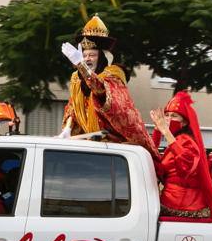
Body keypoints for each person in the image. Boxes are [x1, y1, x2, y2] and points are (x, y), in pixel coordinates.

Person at [59, 15, 159, 163]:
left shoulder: (113, 74)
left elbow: (99, 90)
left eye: (92, 55)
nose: (87, 59)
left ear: (102, 57)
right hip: (90, 143)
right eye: (84, 55)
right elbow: (73, 107)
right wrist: (67, 129)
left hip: (114, 144)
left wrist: (81, 65)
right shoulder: (76, 77)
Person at [148, 91, 212, 224]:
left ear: (184, 122)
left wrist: (165, 132)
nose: (168, 119)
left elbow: (186, 166)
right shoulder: (175, 140)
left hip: (185, 210)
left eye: (174, 116)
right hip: (168, 204)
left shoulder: (187, 140)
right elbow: (151, 160)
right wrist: (157, 131)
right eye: (166, 115)